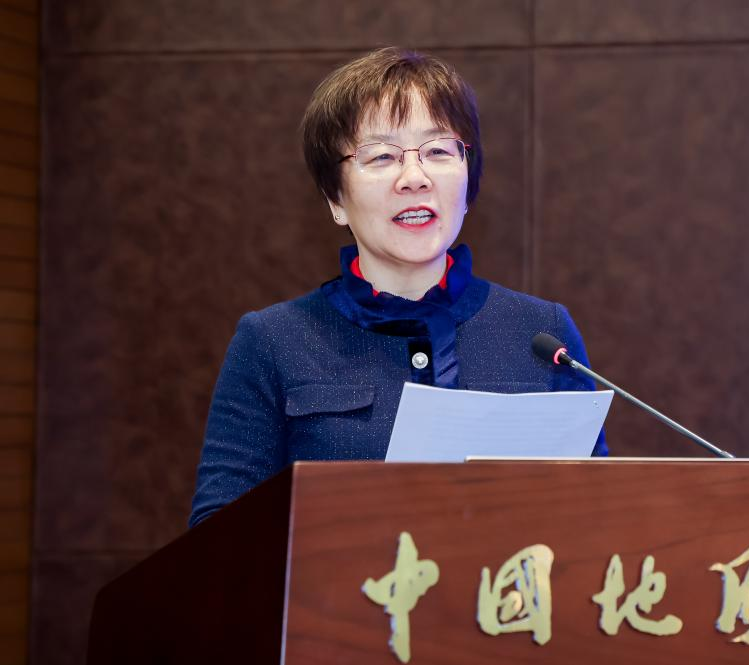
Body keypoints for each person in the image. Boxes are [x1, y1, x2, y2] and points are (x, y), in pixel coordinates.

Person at [189, 47, 606, 528]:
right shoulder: (273, 341)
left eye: (438, 151)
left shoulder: (543, 334)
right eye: (382, 156)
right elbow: (217, 537)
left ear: (468, 183)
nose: (414, 177)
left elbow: (599, 516)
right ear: (335, 199)